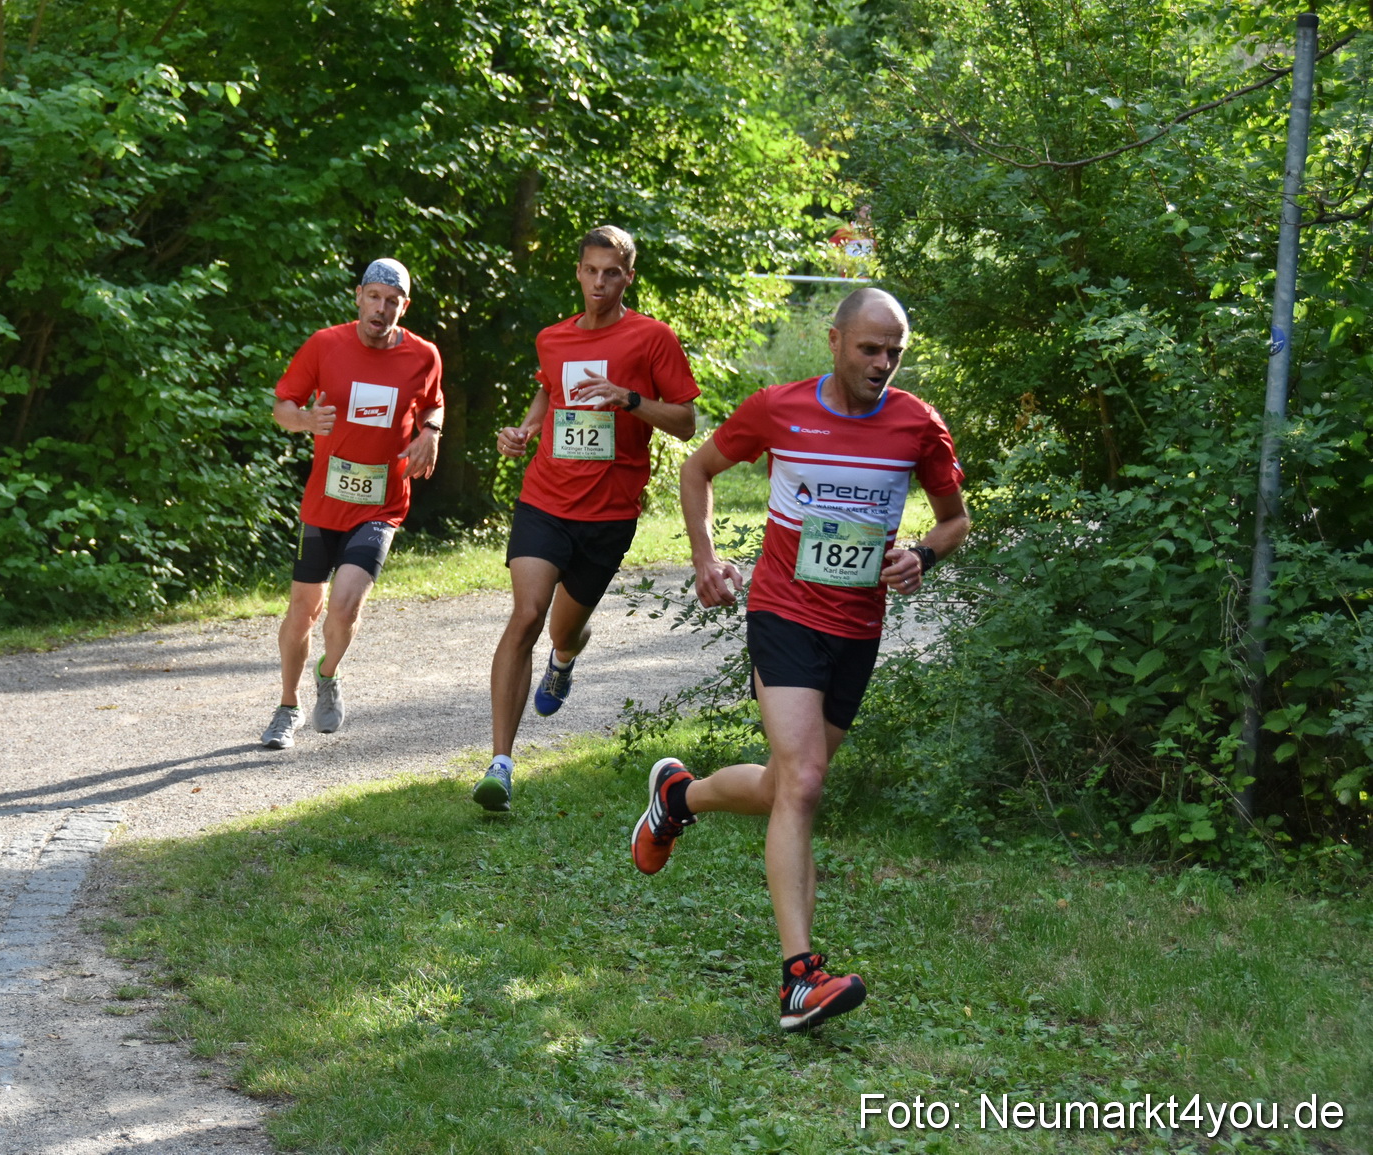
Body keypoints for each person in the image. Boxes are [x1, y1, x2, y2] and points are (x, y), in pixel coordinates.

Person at [629, 287, 969, 1031]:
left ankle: (678, 798)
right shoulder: (778, 408)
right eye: (869, 349)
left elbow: (954, 520)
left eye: (895, 352)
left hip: (858, 626)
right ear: (835, 340)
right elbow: (697, 469)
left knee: (788, 782)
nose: (883, 363)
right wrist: (705, 558)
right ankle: (799, 979)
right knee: (808, 781)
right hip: (783, 612)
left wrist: (920, 555)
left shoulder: (917, 425)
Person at [473, 226, 699, 810]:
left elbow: (685, 421)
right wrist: (525, 430)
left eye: (613, 273)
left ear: (628, 276)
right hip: (545, 498)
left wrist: (628, 399)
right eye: (591, 270)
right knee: (526, 614)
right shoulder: (553, 339)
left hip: (609, 511)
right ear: (578, 271)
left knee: (562, 628)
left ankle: (566, 656)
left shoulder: (652, 338)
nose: (600, 283)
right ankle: (501, 762)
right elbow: (548, 394)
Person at [259, 258, 444, 749]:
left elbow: (433, 401)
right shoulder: (324, 345)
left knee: (344, 605)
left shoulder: (423, 355)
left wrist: (432, 431)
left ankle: (329, 672)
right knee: (304, 610)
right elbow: (283, 407)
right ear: (358, 295)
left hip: (381, 505)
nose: (382, 309)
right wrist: (304, 422)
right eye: (375, 297)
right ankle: (286, 706)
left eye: (393, 301)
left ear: (404, 307)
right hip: (323, 504)